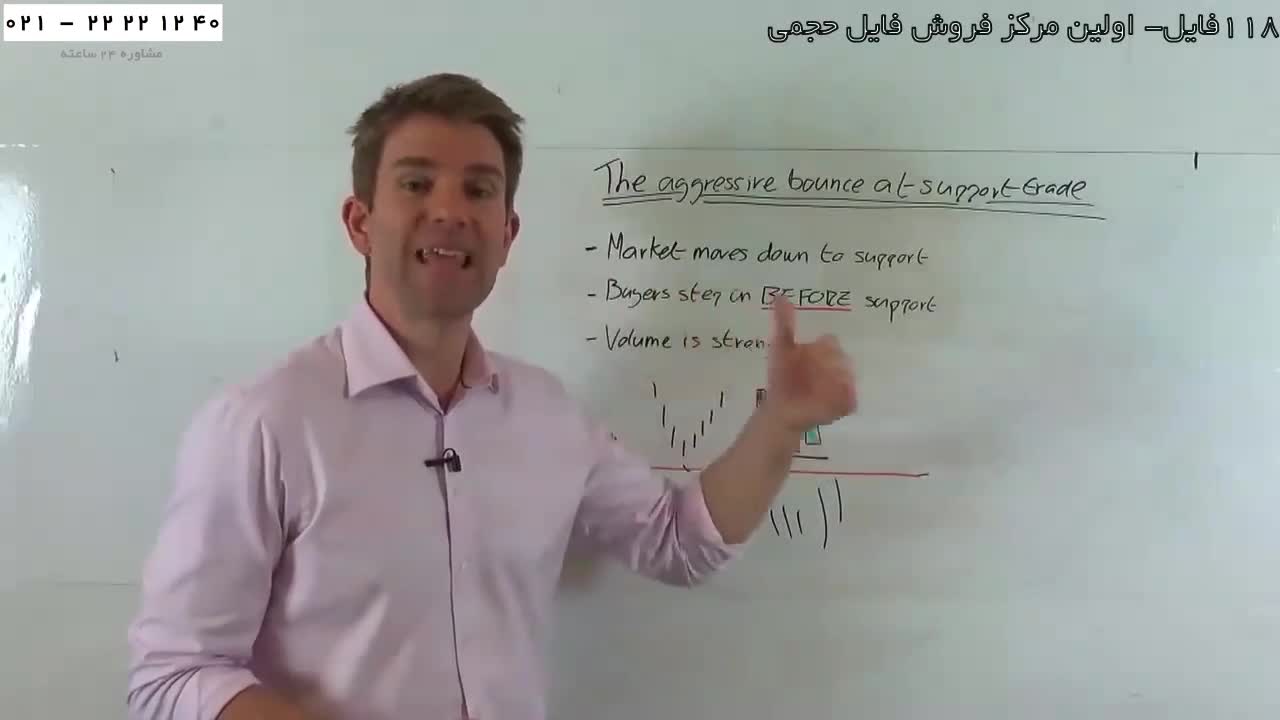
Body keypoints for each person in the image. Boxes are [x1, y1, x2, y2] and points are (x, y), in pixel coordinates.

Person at [124, 72, 856, 720]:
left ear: (506, 234)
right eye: (416, 184)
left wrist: (781, 423)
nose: (450, 210)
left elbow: (681, 542)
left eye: (478, 190)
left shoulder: (547, 415)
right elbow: (175, 677)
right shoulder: (264, 423)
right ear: (360, 223)